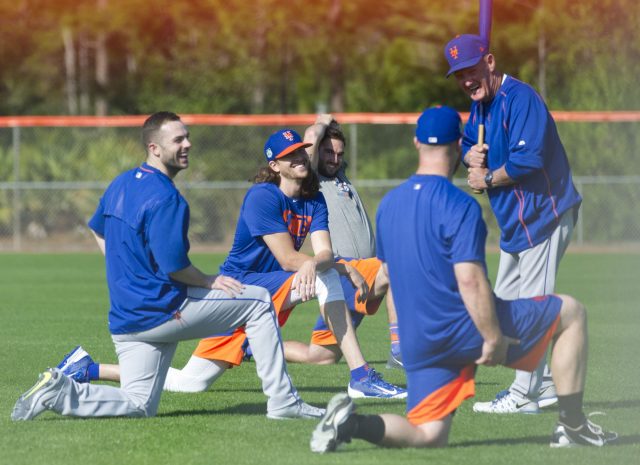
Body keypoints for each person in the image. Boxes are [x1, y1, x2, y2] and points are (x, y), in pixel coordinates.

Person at [309, 105, 617, 452]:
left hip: (422, 340)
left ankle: (351, 422)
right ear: (458, 147)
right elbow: (469, 281)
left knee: (429, 434)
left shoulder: (390, 205)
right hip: (464, 328)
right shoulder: (460, 205)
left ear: (415, 143)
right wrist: (492, 338)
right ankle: (573, 425)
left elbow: (391, 275)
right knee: (572, 314)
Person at [12, 112, 322, 421]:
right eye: (178, 139)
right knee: (258, 301)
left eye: (187, 137)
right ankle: (283, 402)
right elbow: (175, 268)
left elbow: (97, 228)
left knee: (139, 404)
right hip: (164, 310)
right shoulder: (167, 198)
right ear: (154, 148)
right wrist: (209, 280)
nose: (187, 144)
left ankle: (60, 391)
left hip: (126, 320)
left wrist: (125, 270)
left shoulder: (121, 183)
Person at [56, 128, 406, 400]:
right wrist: (337, 266)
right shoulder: (262, 197)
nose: (299, 157)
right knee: (193, 382)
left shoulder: (313, 200)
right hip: (240, 289)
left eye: (300, 150)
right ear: (275, 166)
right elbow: (288, 258)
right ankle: (361, 377)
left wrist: (334, 263)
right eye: (289, 155)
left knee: (191, 383)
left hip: (275, 286)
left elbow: (324, 252)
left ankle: (88, 369)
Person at [445, 34, 583, 414]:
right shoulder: (481, 109)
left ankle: (526, 395)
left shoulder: (521, 98)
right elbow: (469, 145)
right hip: (515, 228)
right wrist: (468, 154)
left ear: (489, 62)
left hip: (544, 217)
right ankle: (550, 383)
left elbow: (529, 160)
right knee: (499, 307)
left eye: (471, 70)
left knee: (532, 307)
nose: (466, 80)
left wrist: (486, 179)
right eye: (459, 75)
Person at [281, 115, 402, 368]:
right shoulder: (313, 180)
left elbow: (334, 156)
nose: (333, 159)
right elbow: (312, 138)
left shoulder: (340, 174)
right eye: (327, 152)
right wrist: (323, 121)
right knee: (395, 270)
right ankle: (400, 349)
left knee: (322, 356)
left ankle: (257, 344)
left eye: (339, 153)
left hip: (360, 273)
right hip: (346, 269)